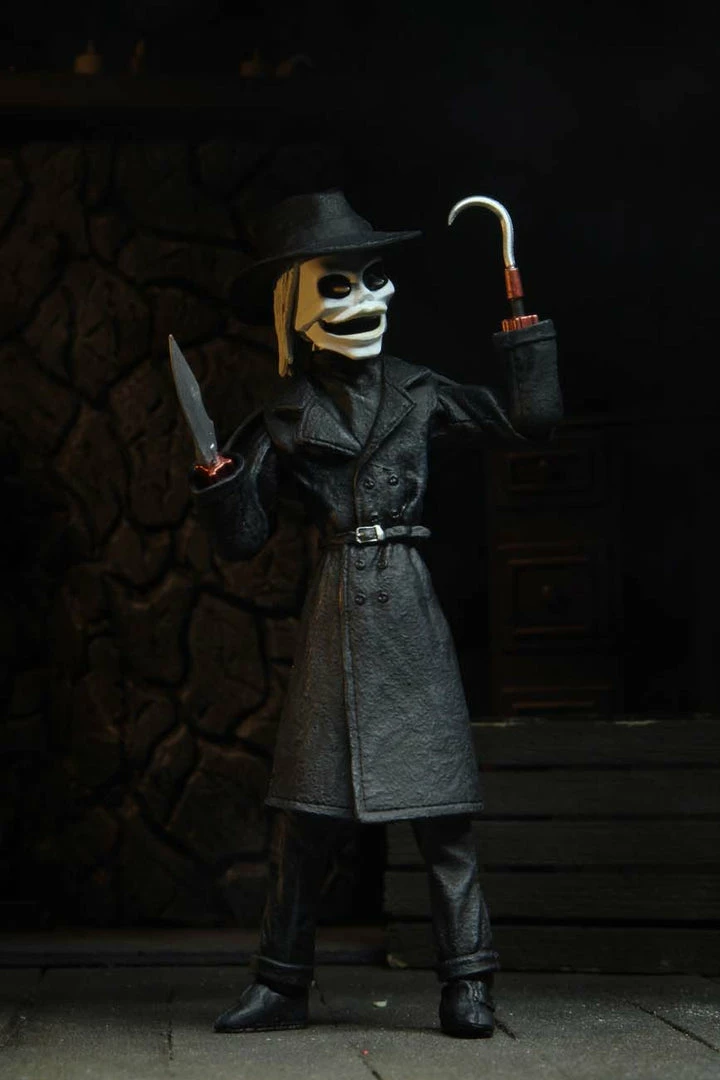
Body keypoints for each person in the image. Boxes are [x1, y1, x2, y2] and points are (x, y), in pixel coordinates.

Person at [190, 189, 562, 1037]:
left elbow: (528, 422)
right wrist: (220, 484)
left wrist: (522, 329)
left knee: (443, 819)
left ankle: (469, 983)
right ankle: (280, 985)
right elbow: (243, 540)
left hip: (408, 613)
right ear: (294, 307)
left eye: (374, 278)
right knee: (303, 820)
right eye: (335, 285)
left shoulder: (420, 391)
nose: (364, 299)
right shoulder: (283, 417)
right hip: (337, 619)